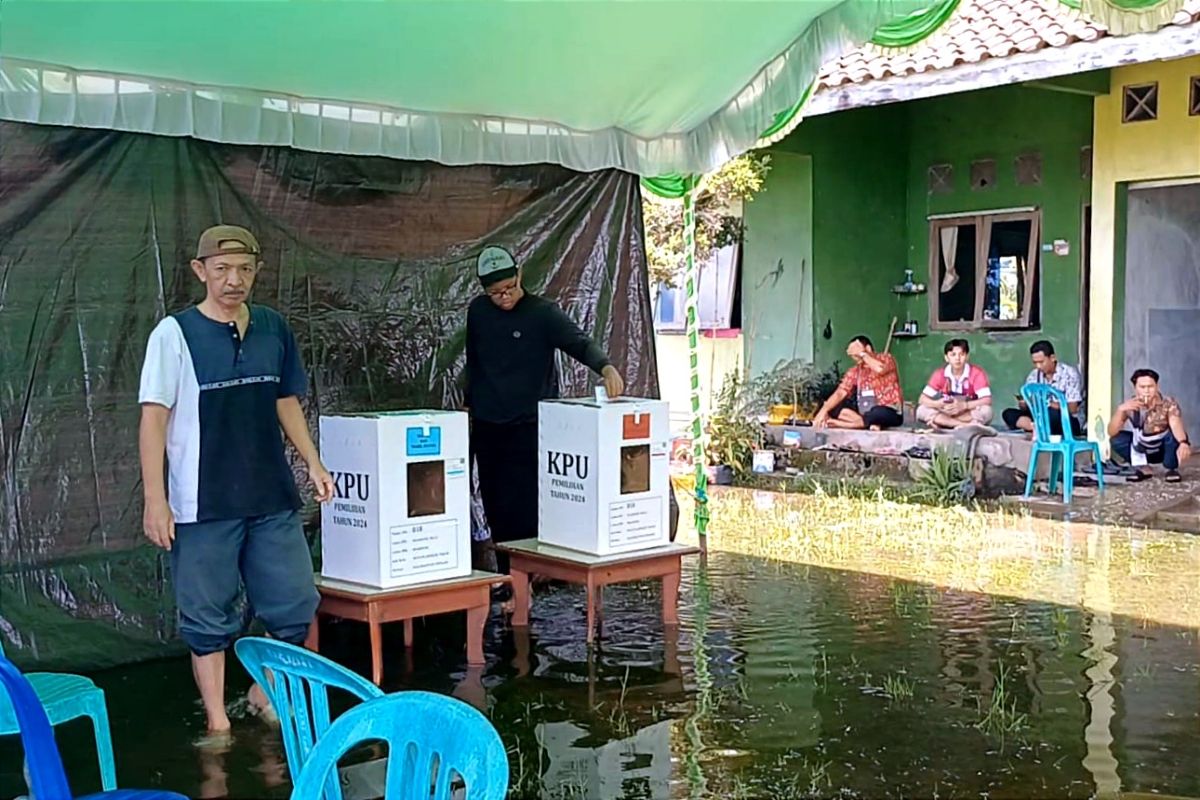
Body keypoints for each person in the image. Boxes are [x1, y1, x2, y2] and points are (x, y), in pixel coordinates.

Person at [139, 225, 334, 736]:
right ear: (200, 271)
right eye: (222, 269)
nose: (234, 280)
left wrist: (312, 460)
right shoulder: (174, 335)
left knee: (295, 604)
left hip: (270, 495)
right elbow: (153, 418)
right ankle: (219, 723)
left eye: (244, 269)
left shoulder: (272, 328)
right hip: (203, 503)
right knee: (207, 617)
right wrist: (155, 500)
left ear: (257, 271)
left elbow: (285, 400)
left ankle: (260, 690)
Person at [465, 245, 624, 572]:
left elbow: (578, 341)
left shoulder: (542, 313)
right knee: (496, 505)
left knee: (527, 506)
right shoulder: (478, 312)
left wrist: (606, 367)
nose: (504, 297)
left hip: (530, 425)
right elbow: (474, 361)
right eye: (495, 293)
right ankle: (508, 576)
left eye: (509, 288)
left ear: (520, 275)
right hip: (489, 425)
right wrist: (469, 403)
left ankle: (532, 574)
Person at [1107, 368, 1191, 482]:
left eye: (1150, 387)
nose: (1146, 391)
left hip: (1163, 447)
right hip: (1143, 446)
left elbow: (1175, 423)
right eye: (1142, 387)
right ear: (1135, 388)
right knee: (1116, 440)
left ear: (1157, 386)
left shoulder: (1168, 403)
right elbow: (1111, 432)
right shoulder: (1131, 405)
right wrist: (1120, 410)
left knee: (1174, 436)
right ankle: (1144, 468)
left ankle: (1171, 468)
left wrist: (1183, 442)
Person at [812, 335, 904, 431]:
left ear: (868, 348)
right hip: (863, 414)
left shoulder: (886, 359)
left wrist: (863, 354)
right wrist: (823, 411)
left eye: (856, 354)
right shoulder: (855, 371)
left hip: (889, 412)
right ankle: (867, 423)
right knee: (831, 407)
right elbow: (840, 392)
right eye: (853, 355)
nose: (855, 357)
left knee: (877, 413)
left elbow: (879, 369)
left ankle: (845, 424)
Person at [1001, 340, 1084, 437]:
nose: (1038, 366)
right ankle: (1035, 427)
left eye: (1041, 362)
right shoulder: (1034, 375)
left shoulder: (1070, 374)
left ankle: (1038, 427)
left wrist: (1049, 404)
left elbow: (1072, 408)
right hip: (1040, 416)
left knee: (1051, 413)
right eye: (1035, 363)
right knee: (1008, 414)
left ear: (1052, 358)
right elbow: (1031, 401)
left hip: (1066, 420)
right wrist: (1025, 404)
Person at [916, 339, 993, 431]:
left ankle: (944, 424)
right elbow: (922, 399)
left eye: (962, 354)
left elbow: (987, 400)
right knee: (921, 410)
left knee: (987, 411)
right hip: (946, 413)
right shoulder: (940, 374)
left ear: (967, 356)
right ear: (946, 358)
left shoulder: (977, 373)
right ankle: (964, 425)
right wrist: (937, 404)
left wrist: (964, 405)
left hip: (966, 413)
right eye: (953, 355)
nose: (957, 358)